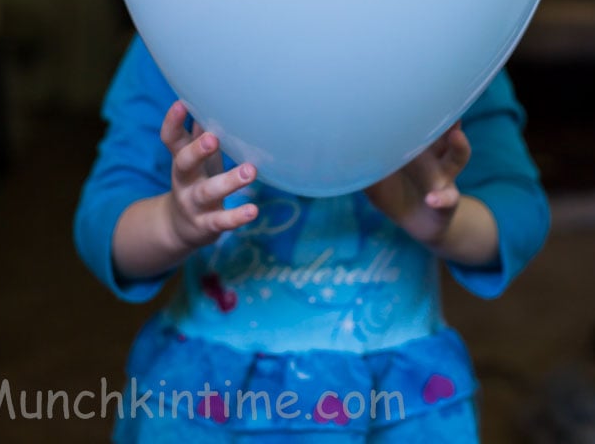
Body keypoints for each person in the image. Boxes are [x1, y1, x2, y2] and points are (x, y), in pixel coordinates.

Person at [74, 34, 550, 443]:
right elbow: (105, 222)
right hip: (210, 403)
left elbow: (518, 211)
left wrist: (442, 221)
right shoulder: (174, 27)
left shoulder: (454, 36)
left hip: (399, 405)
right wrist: (172, 223)